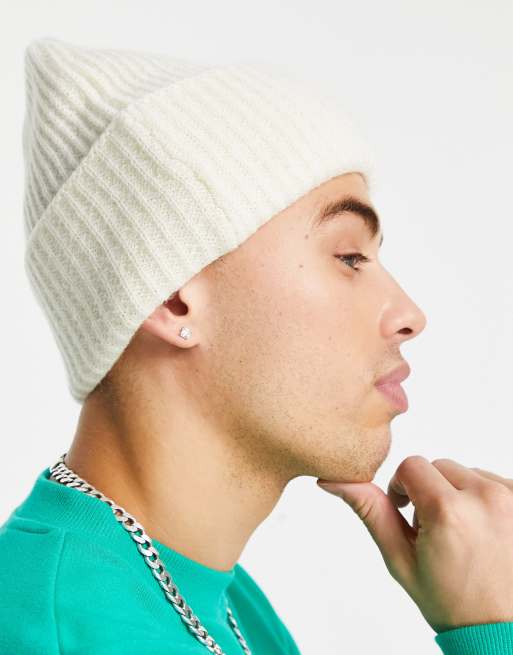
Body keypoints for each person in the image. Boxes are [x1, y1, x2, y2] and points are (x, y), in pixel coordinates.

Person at [1, 35, 512, 655]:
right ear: (172, 299)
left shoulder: (210, 592)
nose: (410, 316)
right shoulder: (70, 634)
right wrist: (490, 629)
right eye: (349, 257)